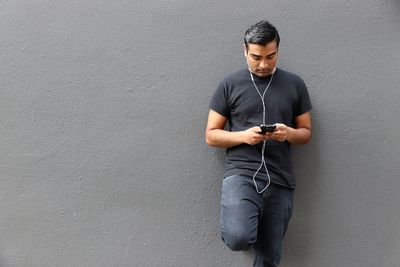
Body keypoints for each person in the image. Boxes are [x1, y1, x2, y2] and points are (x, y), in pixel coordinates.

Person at [205, 20, 312, 267]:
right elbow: (211, 135)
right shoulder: (229, 85)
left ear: (278, 51)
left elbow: (306, 133)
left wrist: (287, 134)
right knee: (238, 236)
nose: (263, 64)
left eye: (270, 56)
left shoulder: (295, 84)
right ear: (244, 50)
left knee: (269, 259)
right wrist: (244, 136)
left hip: (281, 179)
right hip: (241, 175)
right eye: (256, 57)